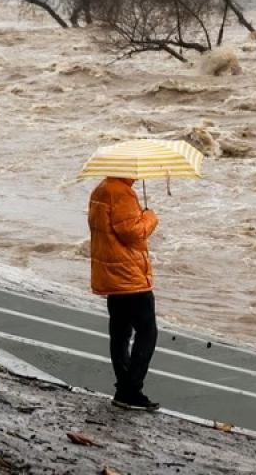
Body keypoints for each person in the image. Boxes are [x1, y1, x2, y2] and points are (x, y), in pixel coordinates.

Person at [88, 176, 160, 411]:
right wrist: (150, 217)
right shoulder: (121, 193)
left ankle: (123, 389)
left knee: (119, 332)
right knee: (147, 332)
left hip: (111, 273)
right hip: (129, 276)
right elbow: (132, 232)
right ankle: (131, 390)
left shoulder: (101, 190)